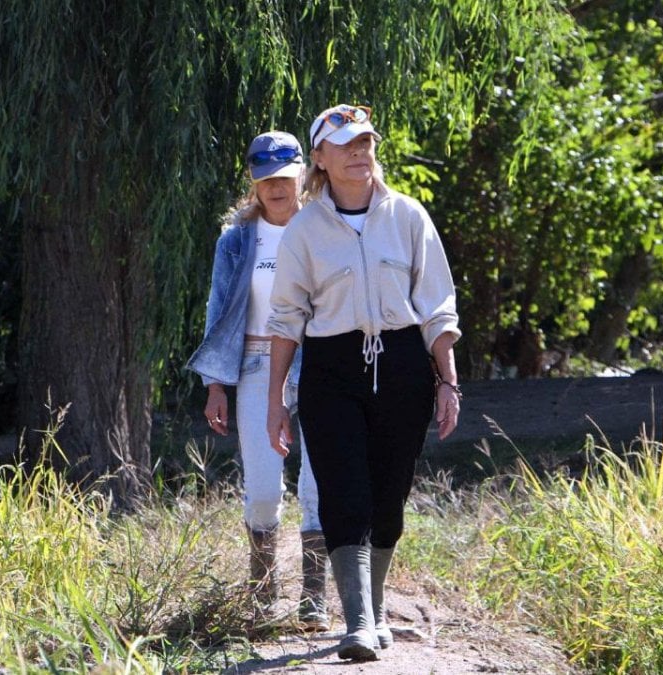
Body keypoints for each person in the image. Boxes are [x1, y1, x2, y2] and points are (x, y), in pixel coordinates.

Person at [265, 104, 462, 661]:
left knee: (389, 495)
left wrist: (448, 383)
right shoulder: (304, 229)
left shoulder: (408, 217)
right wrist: (278, 399)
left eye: (367, 142)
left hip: (402, 364)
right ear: (321, 159)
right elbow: (285, 320)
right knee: (342, 488)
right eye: (346, 144)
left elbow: (437, 309)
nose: (360, 152)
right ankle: (356, 624)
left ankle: (375, 612)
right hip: (331, 367)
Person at [185, 130, 329, 630]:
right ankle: (263, 594)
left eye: (284, 177)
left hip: (318, 365)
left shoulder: (321, 227)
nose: (276, 187)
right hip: (254, 362)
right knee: (264, 488)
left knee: (318, 483)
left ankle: (314, 597)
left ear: (300, 177)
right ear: (253, 180)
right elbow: (219, 311)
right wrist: (214, 385)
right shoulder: (236, 239)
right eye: (265, 178)